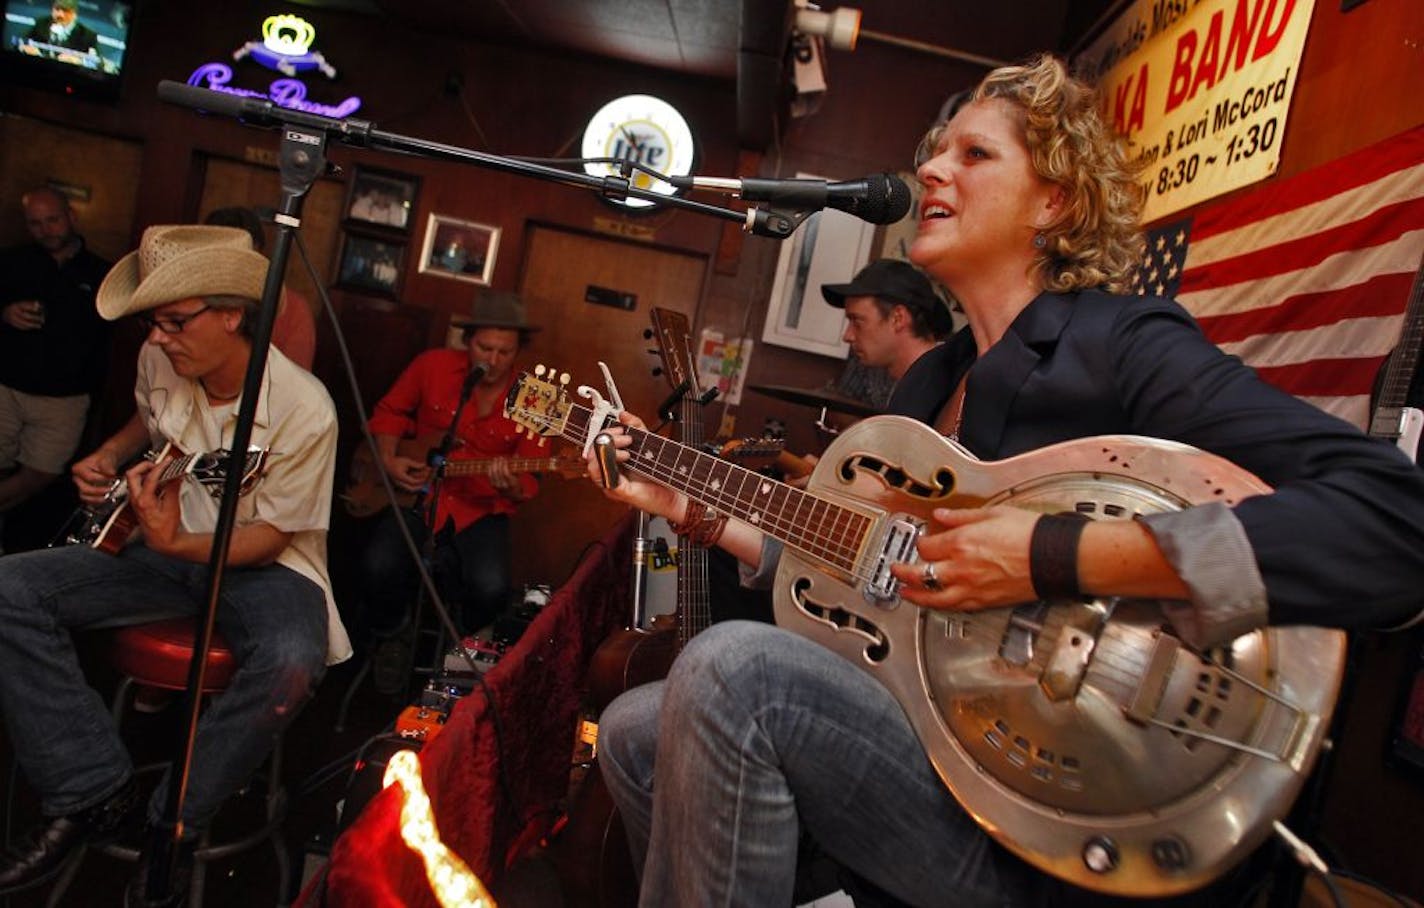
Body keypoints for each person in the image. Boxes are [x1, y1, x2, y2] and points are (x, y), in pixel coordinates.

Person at [582, 54, 1424, 907]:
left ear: (1054, 201)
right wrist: (696, 511)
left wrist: (1058, 554)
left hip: (1068, 815)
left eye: (974, 155)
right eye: (934, 155)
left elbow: (1393, 523)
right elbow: (869, 576)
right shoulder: (925, 388)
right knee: (631, 732)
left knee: (731, 672)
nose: (932, 170)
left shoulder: (1123, 347)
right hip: (939, 751)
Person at [0, 224, 346, 903]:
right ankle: (91, 790)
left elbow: (272, 536)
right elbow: (151, 423)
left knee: (291, 661)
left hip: (267, 566)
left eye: (174, 322)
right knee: (8, 587)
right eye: (152, 323)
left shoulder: (305, 408)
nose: (156, 338)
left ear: (231, 315)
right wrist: (109, 454)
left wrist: (176, 544)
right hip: (166, 546)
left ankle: (173, 824)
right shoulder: (161, 361)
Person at [356, 290, 547, 681]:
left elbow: (530, 480)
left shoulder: (536, 398)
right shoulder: (432, 366)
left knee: (491, 588)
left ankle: (462, 652)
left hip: (482, 509)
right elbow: (390, 411)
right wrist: (390, 460)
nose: (492, 361)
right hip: (419, 497)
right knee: (378, 565)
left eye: (504, 352)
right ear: (468, 340)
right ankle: (392, 636)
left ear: (518, 351)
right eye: (484, 348)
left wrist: (509, 484)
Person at [0, 187, 111, 550]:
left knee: (41, 475)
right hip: (8, 387)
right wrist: (4, 314)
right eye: (36, 223)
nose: (46, 229)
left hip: (66, 397)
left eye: (53, 220)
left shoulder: (100, 273)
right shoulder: (12, 262)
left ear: (72, 217)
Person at [823, 257, 955, 417]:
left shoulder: (950, 386)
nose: (847, 336)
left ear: (897, 318)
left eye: (857, 322)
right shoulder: (870, 365)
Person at [202, 205, 317, 370]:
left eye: (245, 257)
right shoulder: (189, 303)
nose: (234, 267)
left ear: (259, 253)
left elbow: (293, 383)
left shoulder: (293, 310)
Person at [22, 0, 100, 57]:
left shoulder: (88, 36)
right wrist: (27, 48)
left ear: (74, 14)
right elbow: (23, 42)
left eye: (66, 11)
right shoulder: (41, 23)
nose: (60, 15)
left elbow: (96, 62)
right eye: (57, 9)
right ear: (52, 10)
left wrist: (79, 61)